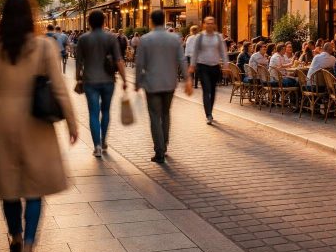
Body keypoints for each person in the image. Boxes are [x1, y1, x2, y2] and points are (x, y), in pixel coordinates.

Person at [0, 0, 78, 252]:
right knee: (34, 187)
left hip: (2, 118)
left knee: (8, 186)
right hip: (36, 121)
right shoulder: (44, 46)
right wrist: (72, 123)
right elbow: (60, 89)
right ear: (30, 16)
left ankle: (15, 237)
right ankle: (30, 244)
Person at [135, 10, 191, 163]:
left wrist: (137, 82)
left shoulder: (145, 39)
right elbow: (182, 59)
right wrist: (187, 79)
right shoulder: (174, 38)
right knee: (166, 114)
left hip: (152, 83)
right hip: (169, 82)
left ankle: (159, 150)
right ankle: (164, 144)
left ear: (152, 21)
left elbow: (139, 63)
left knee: (154, 116)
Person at [75, 10, 127, 157]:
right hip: (108, 80)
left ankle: (96, 146)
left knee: (93, 112)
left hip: (90, 80)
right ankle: (103, 141)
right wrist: (124, 79)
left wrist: (78, 78)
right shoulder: (111, 38)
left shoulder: (83, 39)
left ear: (89, 22)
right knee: (105, 111)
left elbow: (78, 61)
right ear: (104, 22)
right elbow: (119, 60)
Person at [187, 16, 228, 125]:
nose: (210, 25)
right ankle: (208, 114)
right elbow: (195, 52)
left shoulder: (218, 37)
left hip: (215, 66)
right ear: (204, 25)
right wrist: (192, 65)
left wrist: (226, 65)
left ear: (214, 25)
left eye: (212, 23)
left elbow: (223, 52)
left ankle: (210, 111)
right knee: (207, 90)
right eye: (207, 23)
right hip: (202, 66)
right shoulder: (199, 37)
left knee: (213, 90)